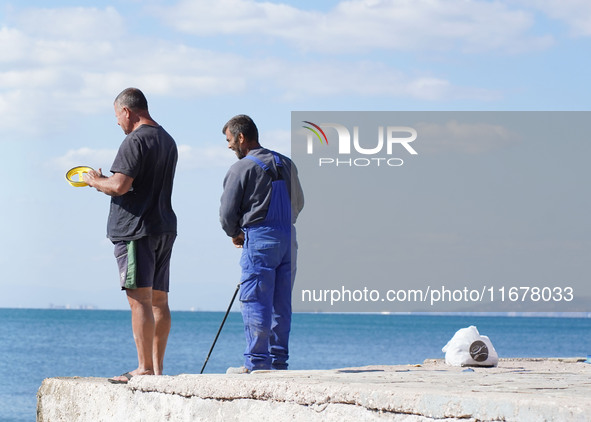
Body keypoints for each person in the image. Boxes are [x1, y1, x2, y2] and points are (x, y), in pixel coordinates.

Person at [83, 87, 178, 384]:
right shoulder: (167, 139)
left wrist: (96, 181)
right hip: (164, 226)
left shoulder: (134, 140)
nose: (117, 123)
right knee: (159, 301)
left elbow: (120, 185)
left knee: (139, 300)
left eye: (117, 116)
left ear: (127, 111)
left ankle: (144, 368)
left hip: (136, 230)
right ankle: (157, 369)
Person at [219, 114, 304, 373]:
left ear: (241, 137)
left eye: (229, 139)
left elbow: (226, 213)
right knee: (282, 304)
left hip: (260, 238)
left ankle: (256, 362)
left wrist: (235, 233)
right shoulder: (287, 163)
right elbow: (299, 203)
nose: (229, 145)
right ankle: (279, 363)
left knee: (255, 299)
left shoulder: (241, 168)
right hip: (288, 238)